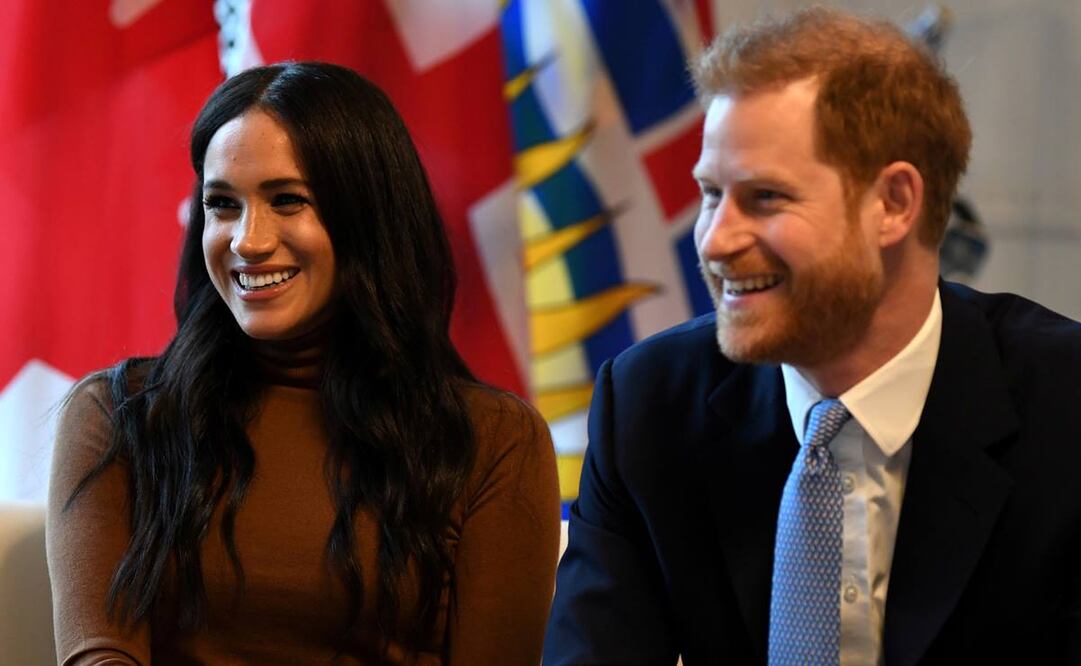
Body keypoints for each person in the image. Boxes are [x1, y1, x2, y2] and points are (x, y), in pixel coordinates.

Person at [544, 7, 1081, 665]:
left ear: (893, 203)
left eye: (765, 197)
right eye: (710, 194)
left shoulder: (1066, 406)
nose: (714, 241)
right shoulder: (648, 404)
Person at [47, 61, 560, 665]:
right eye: (222, 204)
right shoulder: (118, 416)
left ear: (369, 217)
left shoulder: (493, 440)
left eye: (288, 200)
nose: (248, 240)